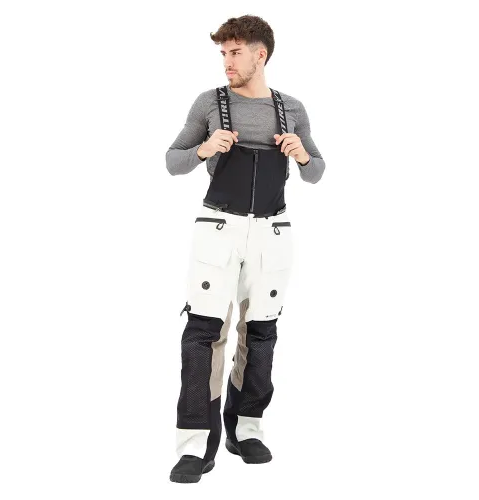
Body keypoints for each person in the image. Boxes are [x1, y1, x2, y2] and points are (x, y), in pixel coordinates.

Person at [165, 15, 326, 483]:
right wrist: (203, 149)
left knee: (261, 333)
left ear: (261, 54)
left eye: (235, 52)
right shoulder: (209, 103)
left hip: (272, 233)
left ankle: (245, 428)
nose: (227, 62)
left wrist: (301, 154)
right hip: (218, 228)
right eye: (223, 53)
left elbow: (317, 171)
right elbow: (172, 162)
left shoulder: (291, 109)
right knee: (202, 333)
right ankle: (195, 444)